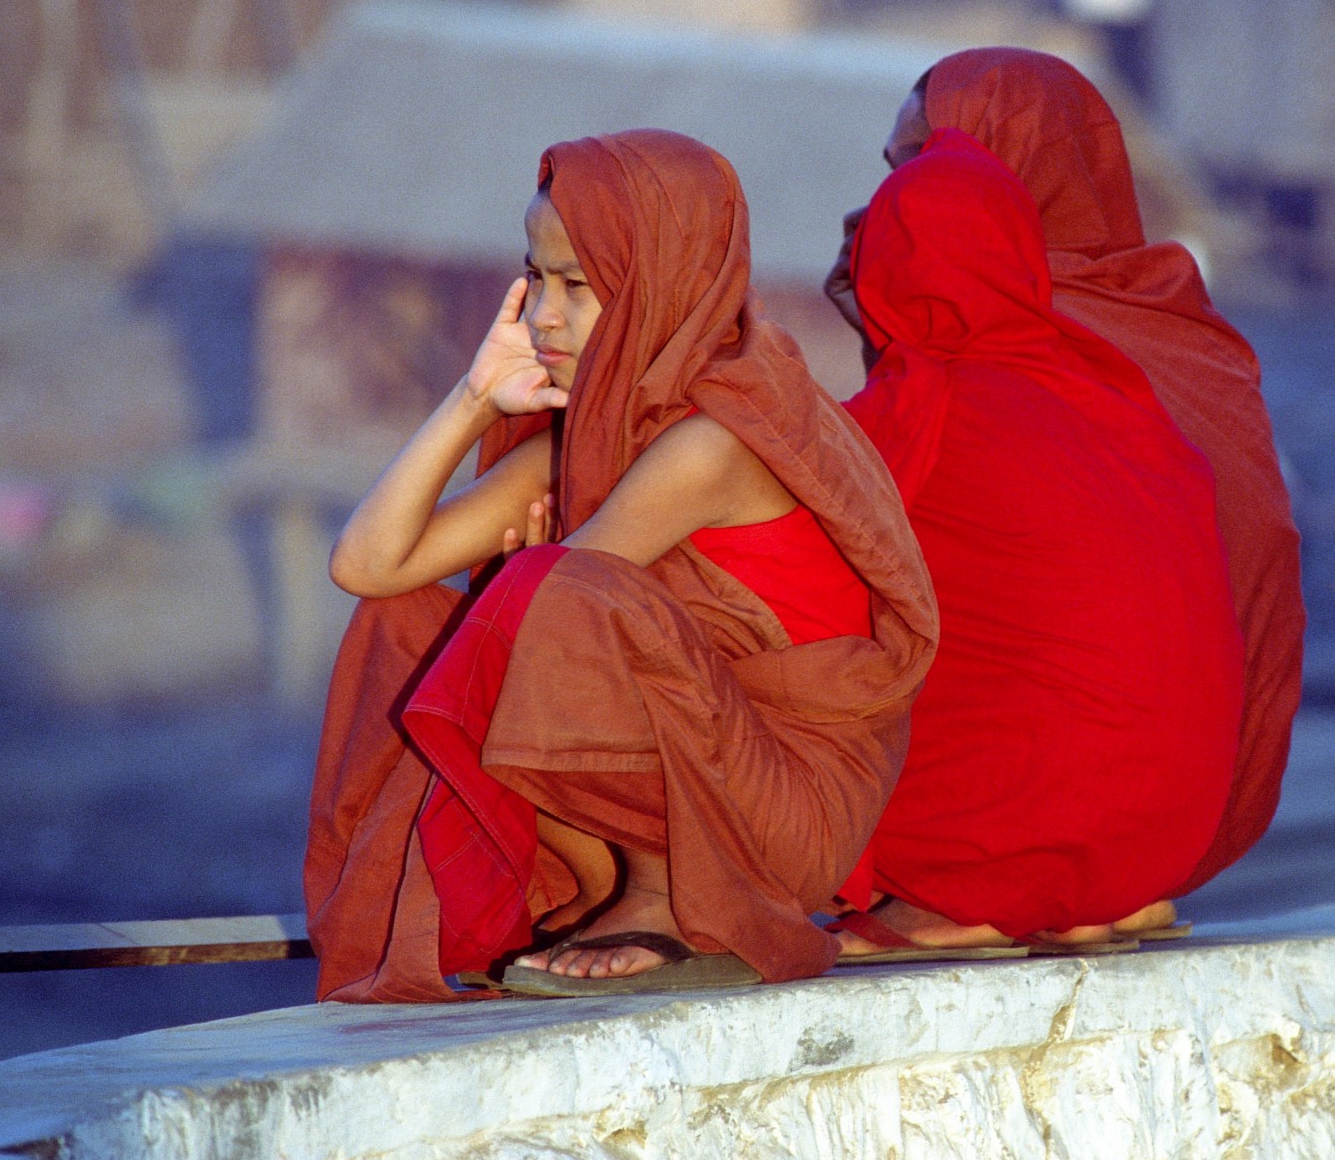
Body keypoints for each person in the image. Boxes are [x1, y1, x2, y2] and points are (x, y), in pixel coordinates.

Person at [305, 129, 937, 1000]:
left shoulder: (715, 438)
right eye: (536, 281)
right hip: (690, 780)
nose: (542, 319)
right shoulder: (589, 435)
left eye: (579, 287)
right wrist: (474, 397)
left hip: (779, 815)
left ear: (661, 287)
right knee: (404, 625)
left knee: (544, 597)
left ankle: (676, 902)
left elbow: (560, 611)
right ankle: (610, 884)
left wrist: (524, 582)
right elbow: (368, 567)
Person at [823, 50, 1304, 949]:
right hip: (1178, 820)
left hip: (1041, 792)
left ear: (1010, 161)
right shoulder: (1170, 322)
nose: (897, 189)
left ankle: (956, 878)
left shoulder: (1015, 338)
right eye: (898, 170)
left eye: (924, 158)